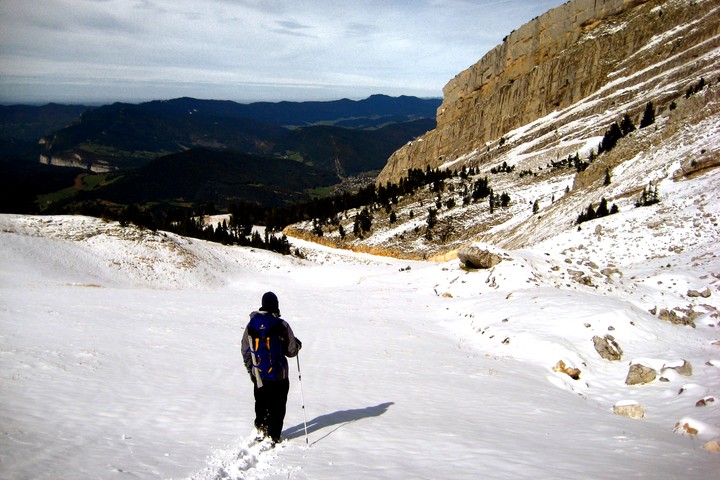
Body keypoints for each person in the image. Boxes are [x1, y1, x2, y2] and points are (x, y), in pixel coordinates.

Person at [241, 292, 301, 444]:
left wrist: (252, 370)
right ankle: (273, 435)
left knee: (261, 402)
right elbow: (291, 351)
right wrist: (298, 344)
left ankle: (261, 427)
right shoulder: (281, 325)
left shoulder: (251, 324)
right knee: (278, 405)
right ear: (276, 305)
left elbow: (245, 349)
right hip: (279, 375)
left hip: (259, 374)